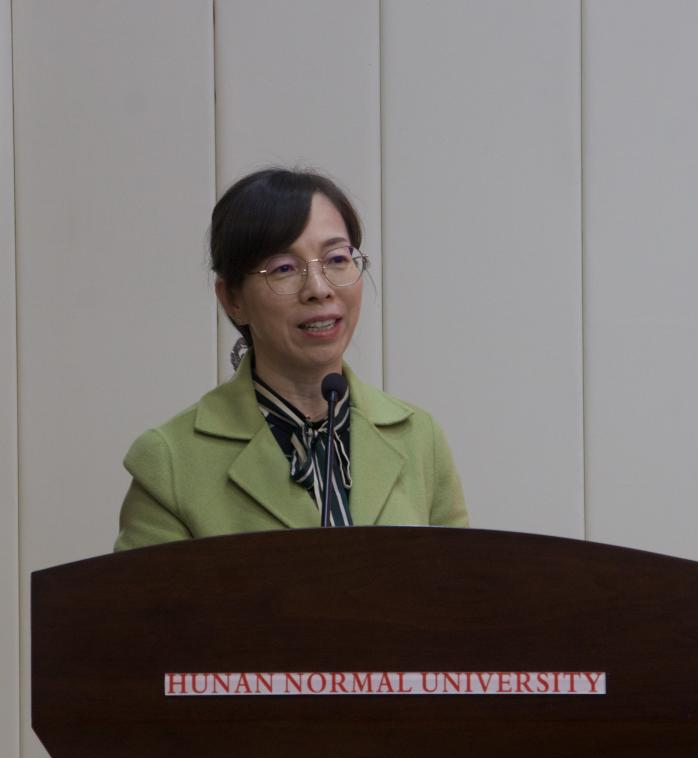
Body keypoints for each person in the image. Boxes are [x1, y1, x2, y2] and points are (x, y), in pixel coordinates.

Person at [114, 168, 467, 552]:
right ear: (232, 299)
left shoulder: (420, 439)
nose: (318, 288)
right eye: (284, 268)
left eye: (337, 258)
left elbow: (461, 585)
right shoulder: (168, 461)